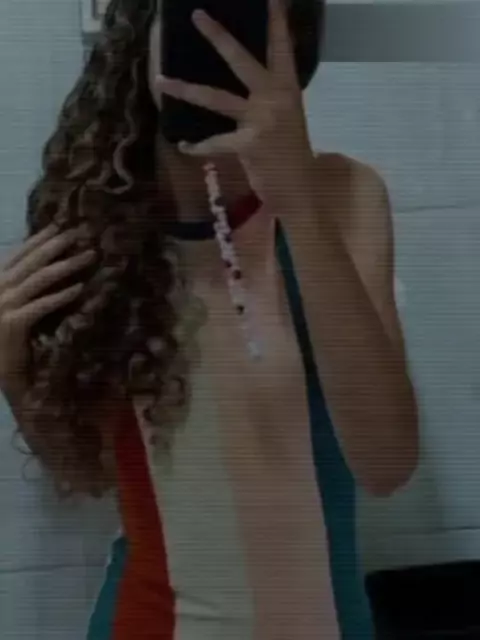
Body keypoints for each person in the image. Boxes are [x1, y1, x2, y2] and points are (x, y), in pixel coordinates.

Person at [0, 0, 419, 637]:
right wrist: (11, 370)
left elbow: (386, 465)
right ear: (144, 34)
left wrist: (297, 202)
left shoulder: (341, 196)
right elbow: (90, 473)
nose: (221, 42)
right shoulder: (97, 232)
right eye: (196, 16)